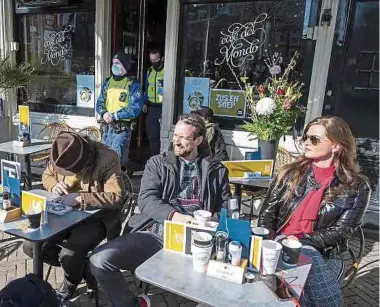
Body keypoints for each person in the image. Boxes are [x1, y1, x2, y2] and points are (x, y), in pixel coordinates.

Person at [89, 114, 231, 307]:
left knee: (218, 291)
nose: (176, 141)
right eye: (175, 135)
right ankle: (133, 304)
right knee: (99, 260)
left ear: (198, 140)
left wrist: (207, 222)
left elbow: (227, 210)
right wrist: (176, 217)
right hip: (157, 234)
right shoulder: (158, 163)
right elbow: (146, 199)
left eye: (183, 137)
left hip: (199, 242)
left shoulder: (216, 170)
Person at [257, 116, 371, 307]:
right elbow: (267, 216)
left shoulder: (357, 187)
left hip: (324, 254)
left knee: (306, 257)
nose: (307, 143)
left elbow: (342, 231)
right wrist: (268, 248)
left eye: (315, 139)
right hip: (279, 249)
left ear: (336, 146)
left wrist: (301, 241)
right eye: (306, 138)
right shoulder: (289, 173)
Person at [22, 131, 124, 301]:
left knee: (69, 255)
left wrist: (80, 198)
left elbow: (116, 198)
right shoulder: (61, 151)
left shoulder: (108, 157)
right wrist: (54, 185)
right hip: (63, 215)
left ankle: (71, 280)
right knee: (31, 246)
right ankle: (84, 268)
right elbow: (47, 175)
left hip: (96, 218)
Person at [96, 52, 144, 168]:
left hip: (122, 128)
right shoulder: (108, 83)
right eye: (113, 63)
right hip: (107, 129)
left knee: (115, 160)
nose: (114, 65)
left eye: (118, 63)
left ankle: (120, 180)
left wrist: (115, 115)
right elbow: (99, 103)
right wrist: (104, 113)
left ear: (125, 66)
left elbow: (135, 108)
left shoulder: (132, 84)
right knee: (104, 157)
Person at [142, 48, 164, 156]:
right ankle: (153, 158)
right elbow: (147, 88)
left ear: (162, 59)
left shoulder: (167, 71)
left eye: (156, 60)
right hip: (151, 107)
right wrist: (145, 102)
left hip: (164, 107)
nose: (154, 62)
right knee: (151, 134)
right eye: (152, 60)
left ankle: (161, 158)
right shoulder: (150, 71)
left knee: (162, 135)